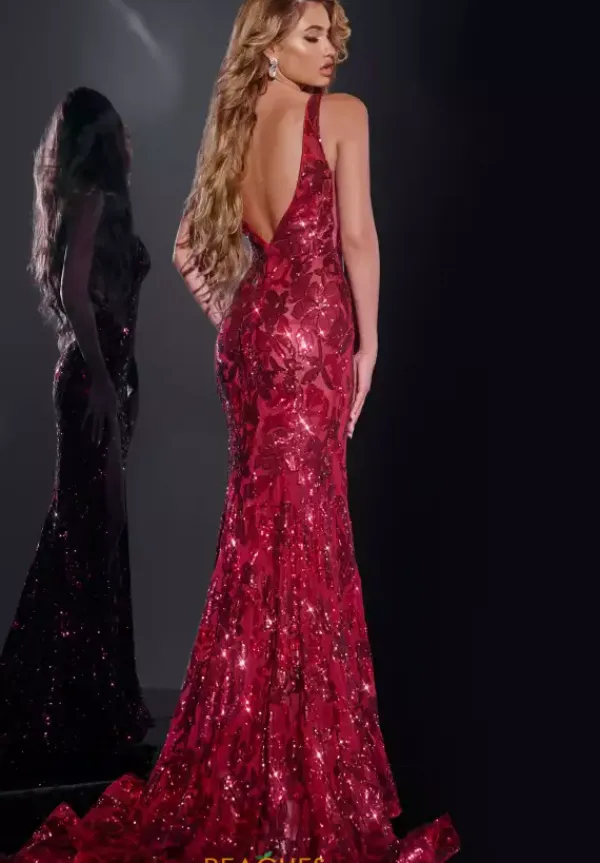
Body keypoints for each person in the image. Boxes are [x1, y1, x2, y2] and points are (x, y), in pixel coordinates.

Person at [14, 3, 460, 861]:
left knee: (259, 541)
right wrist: (370, 345)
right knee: (308, 539)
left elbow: (189, 246)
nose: (331, 52)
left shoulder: (234, 126)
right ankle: (298, 773)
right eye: (311, 36)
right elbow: (358, 238)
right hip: (312, 338)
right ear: (269, 42)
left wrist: (245, 318)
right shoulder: (342, 116)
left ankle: (258, 756)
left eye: (335, 36)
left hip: (252, 341)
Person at [0, 87, 152, 771]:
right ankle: (72, 704)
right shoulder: (94, 200)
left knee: (92, 531)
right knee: (89, 533)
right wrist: (102, 378)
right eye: (118, 130)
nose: (128, 141)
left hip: (105, 381)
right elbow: (72, 290)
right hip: (94, 385)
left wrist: (117, 380)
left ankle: (77, 701)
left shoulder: (93, 200)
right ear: (101, 140)